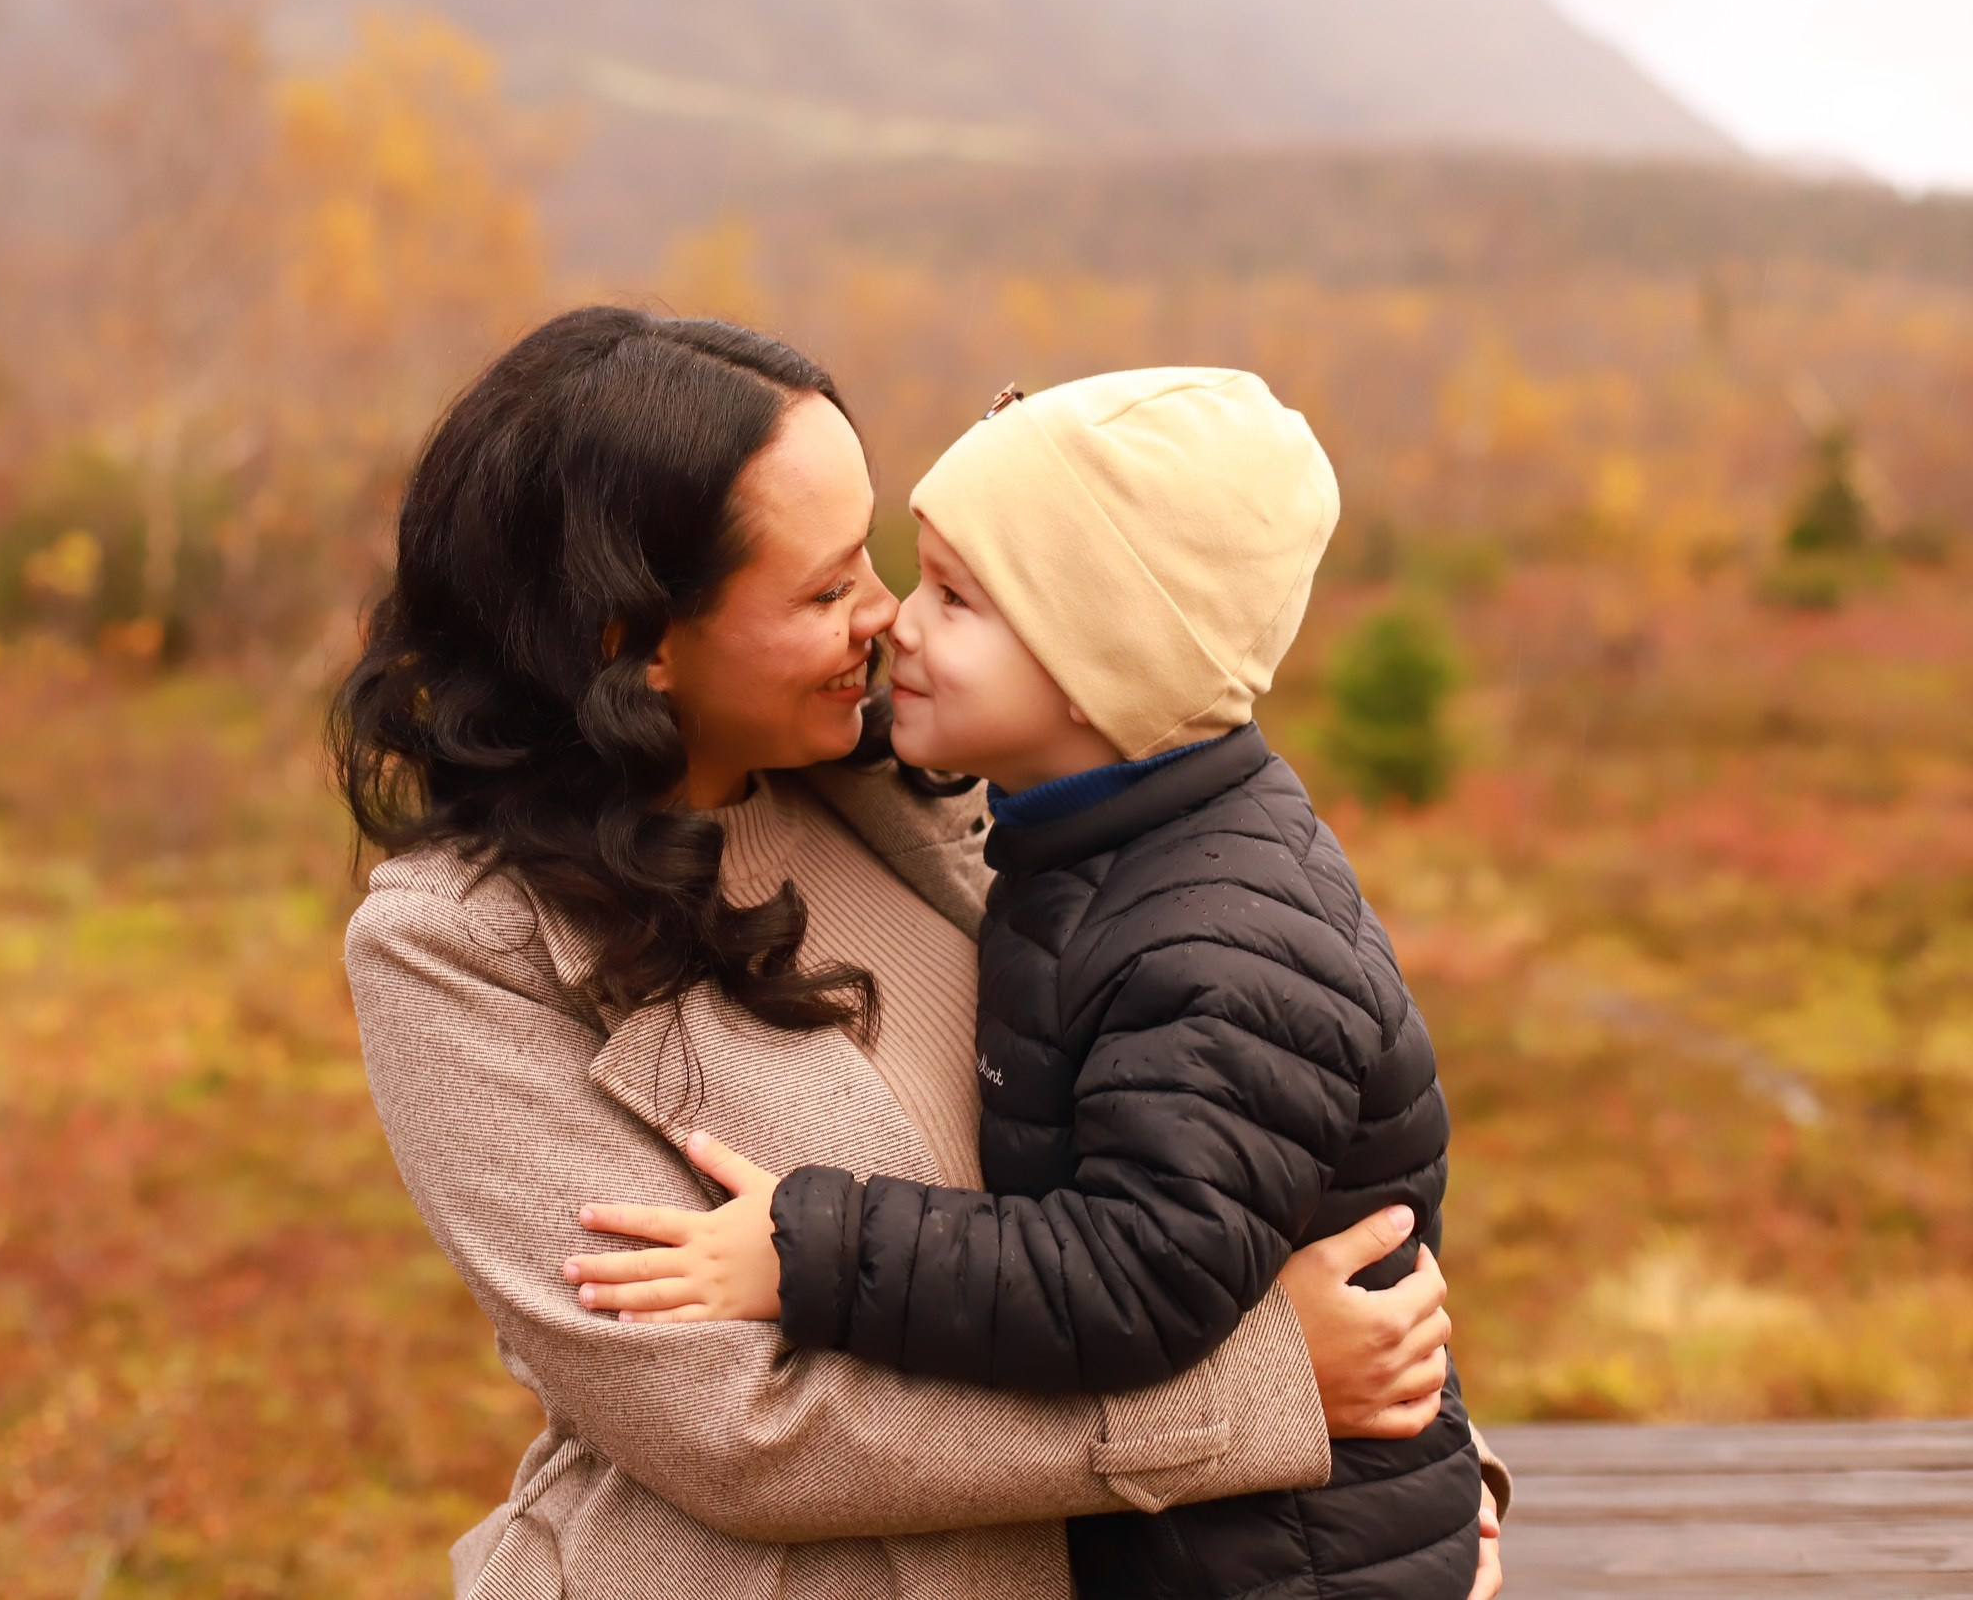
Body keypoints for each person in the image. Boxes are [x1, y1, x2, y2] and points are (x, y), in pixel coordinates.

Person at [335, 309, 1500, 1599]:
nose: (888, 618)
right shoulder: (463, 944)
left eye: (882, 563)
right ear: (634, 642)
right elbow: (745, 1432)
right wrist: (1274, 1395)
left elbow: (1255, 1147)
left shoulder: (927, 783)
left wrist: (1421, 1486)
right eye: (826, 589)